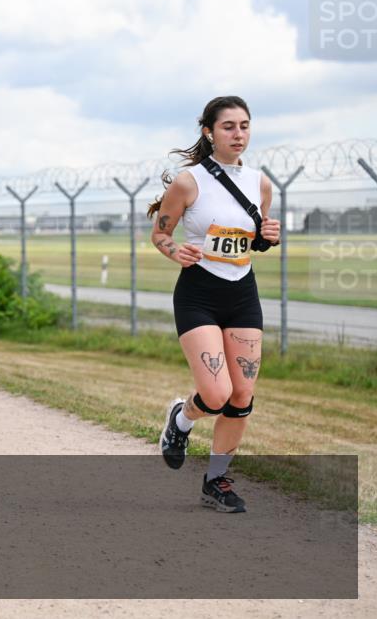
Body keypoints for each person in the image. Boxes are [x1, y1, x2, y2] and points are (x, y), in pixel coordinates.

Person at [150, 96, 280, 513]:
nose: (238, 133)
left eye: (244, 125)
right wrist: (175, 251)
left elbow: (253, 240)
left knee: (241, 394)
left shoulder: (260, 183)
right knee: (218, 392)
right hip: (199, 294)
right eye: (228, 126)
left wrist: (267, 237)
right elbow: (160, 234)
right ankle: (181, 420)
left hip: (242, 293)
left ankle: (216, 481)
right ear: (209, 131)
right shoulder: (189, 182)